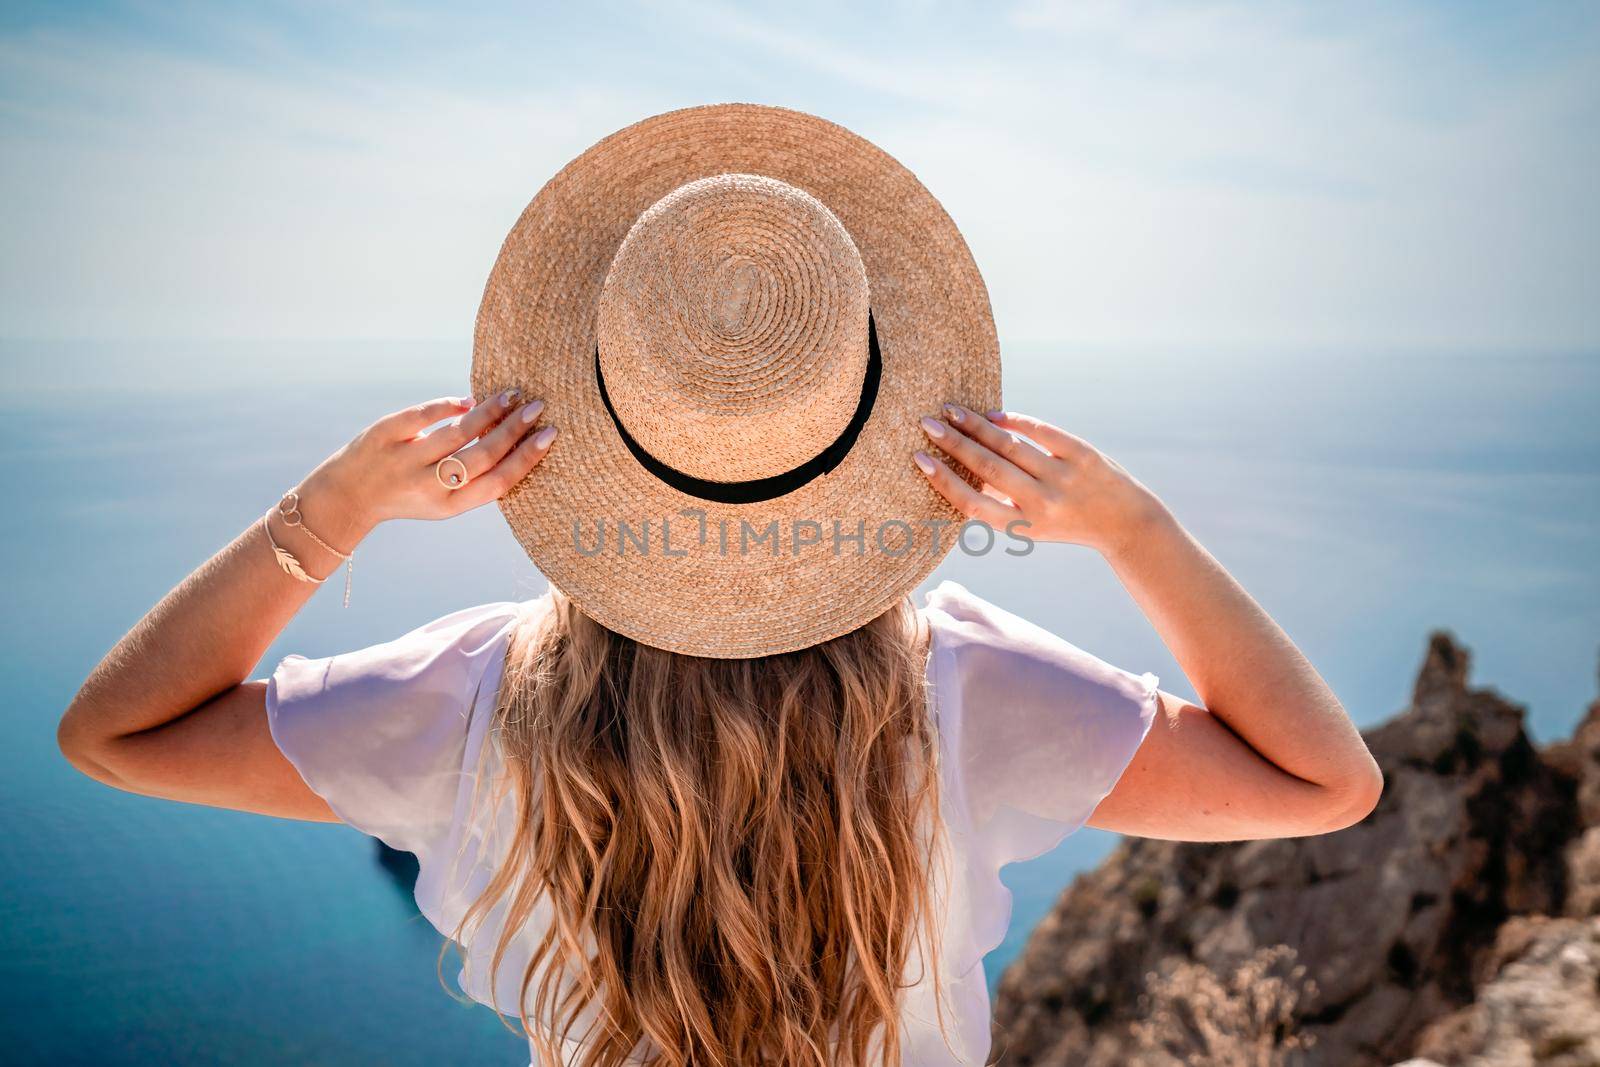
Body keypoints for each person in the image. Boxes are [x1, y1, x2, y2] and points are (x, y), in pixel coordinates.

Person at [57, 105, 1382, 1067]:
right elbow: (1327, 783)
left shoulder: (466, 696)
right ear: (867, 423)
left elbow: (114, 735)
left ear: (601, 413)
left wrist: (330, 511)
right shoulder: (974, 688)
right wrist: (1133, 529)